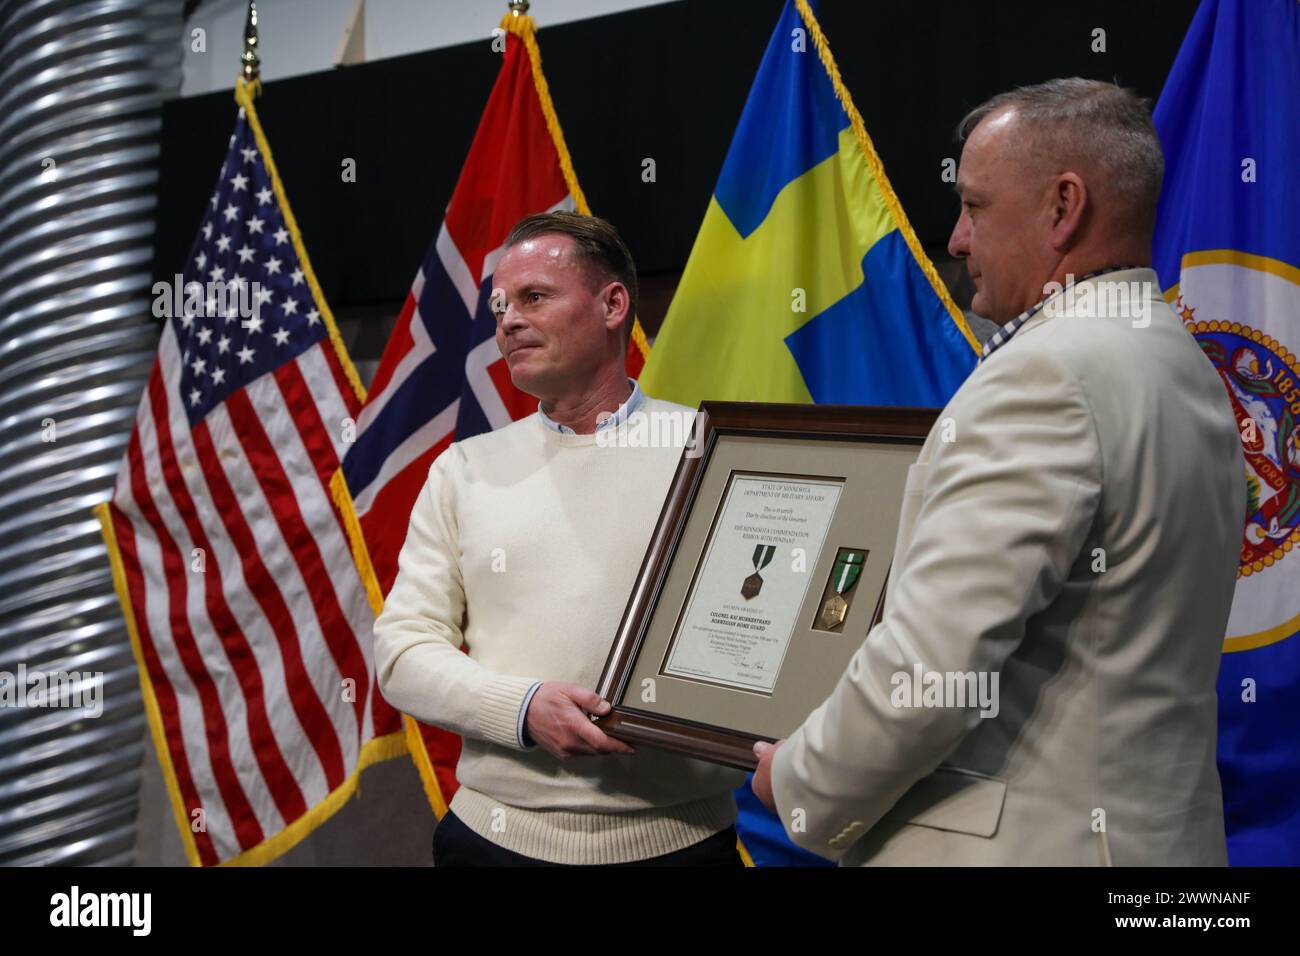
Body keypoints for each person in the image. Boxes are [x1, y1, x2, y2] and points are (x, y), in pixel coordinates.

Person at [752, 78, 1244, 865]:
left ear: (1063, 207)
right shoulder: (1176, 358)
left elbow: (933, 668)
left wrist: (804, 780)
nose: (955, 237)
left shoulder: (1045, 375)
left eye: (974, 206)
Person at [374, 211, 747, 866]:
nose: (507, 322)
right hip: (492, 844)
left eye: (533, 297)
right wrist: (519, 708)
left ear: (612, 305)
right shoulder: (464, 470)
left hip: (679, 845)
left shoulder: (713, 453)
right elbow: (402, 652)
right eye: (499, 306)